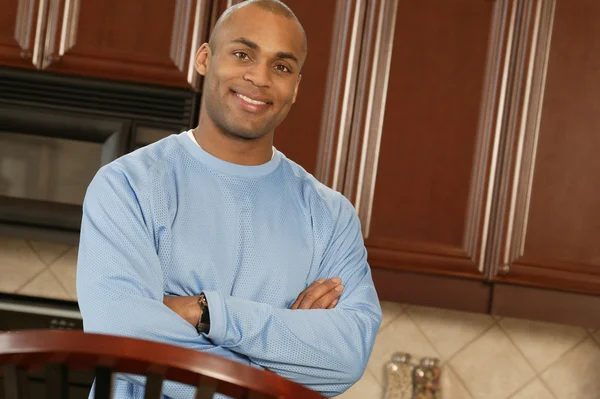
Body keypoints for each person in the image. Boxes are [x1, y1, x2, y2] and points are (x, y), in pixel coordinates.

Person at [76, 0, 382, 398]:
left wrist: (206, 313)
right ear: (205, 58)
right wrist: (276, 366)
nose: (259, 77)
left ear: (296, 88)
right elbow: (123, 336)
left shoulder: (331, 216)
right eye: (242, 54)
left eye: (282, 66)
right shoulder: (127, 186)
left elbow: (346, 355)